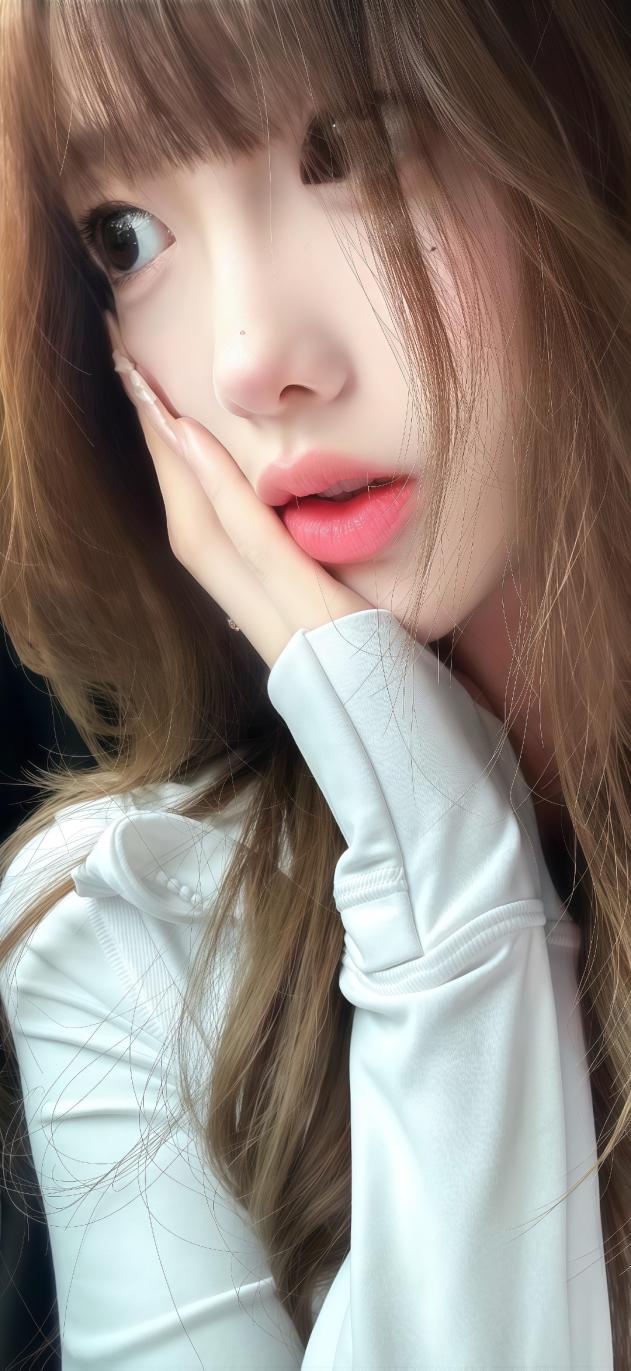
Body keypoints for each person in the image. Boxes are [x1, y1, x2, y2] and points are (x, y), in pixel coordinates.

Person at [0, 1, 628, 1366]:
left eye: (357, 148)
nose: (250, 363)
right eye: (127, 236)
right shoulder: (133, 921)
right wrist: (445, 865)